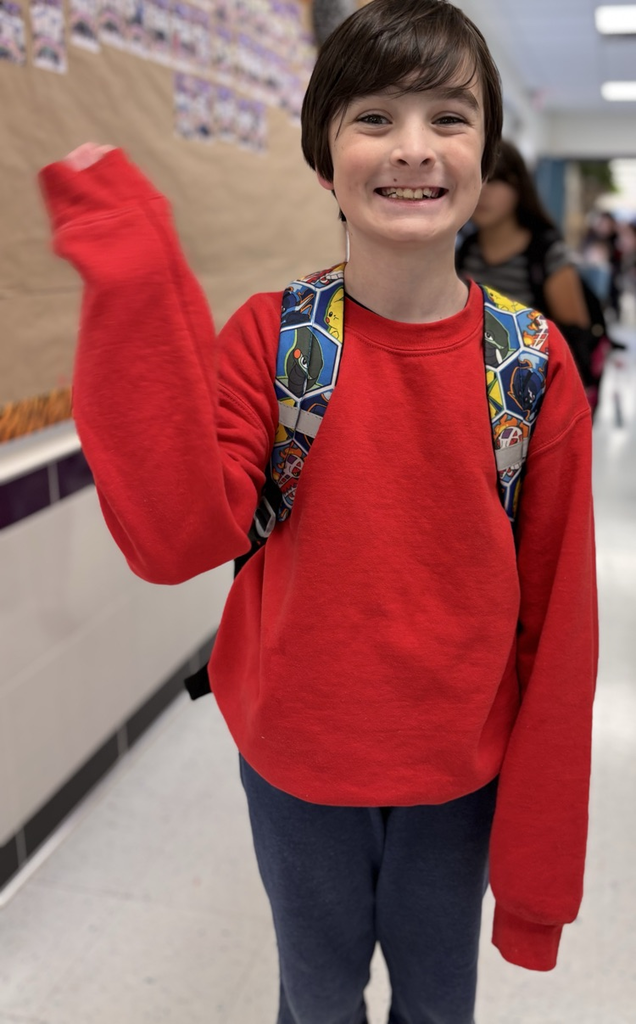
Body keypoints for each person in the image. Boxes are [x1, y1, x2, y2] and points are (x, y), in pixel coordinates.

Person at [38, 1, 598, 1022]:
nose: (414, 148)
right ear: (324, 152)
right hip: (296, 766)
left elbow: (560, 629)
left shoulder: (529, 365)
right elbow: (177, 538)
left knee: (438, 1007)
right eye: (374, 117)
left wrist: (537, 885)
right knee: (317, 999)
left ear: (488, 151)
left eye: (449, 117)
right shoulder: (272, 339)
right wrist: (136, 281)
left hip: (459, 778)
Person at [456, 138, 611, 415]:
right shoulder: (464, 248)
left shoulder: (546, 254)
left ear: (519, 187)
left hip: (530, 399)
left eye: (496, 179)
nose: (483, 190)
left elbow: (574, 341)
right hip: (471, 394)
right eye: (476, 178)